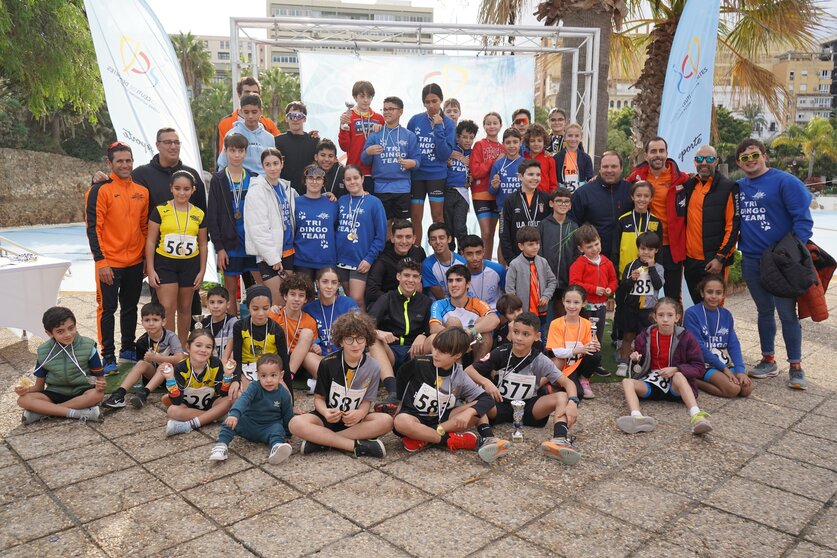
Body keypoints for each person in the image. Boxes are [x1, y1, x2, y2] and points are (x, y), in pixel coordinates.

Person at [735, 138, 813, 389]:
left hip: (780, 261)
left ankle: (796, 366)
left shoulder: (785, 181)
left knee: (787, 313)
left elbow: (803, 220)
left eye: (754, 155)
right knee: (764, 311)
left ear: (764, 155)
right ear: (738, 162)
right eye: (745, 158)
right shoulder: (738, 187)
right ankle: (768, 359)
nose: (750, 161)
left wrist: (791, 251)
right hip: (751, 258)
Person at [466, 312, 581, 465]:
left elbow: (568, 383)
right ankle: (487, 438)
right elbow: (469, 370)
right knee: (477, 397)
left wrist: (573, 402)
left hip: (529, 407)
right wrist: (486, 382)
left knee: (561, 396)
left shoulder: (540, 359)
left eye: (526, 334)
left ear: (536, 336)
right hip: (499, 404)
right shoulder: (501, 352)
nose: (519, 338)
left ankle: (560, 440)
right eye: (516, 332)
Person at [288, 312, 392, 458]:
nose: (355, 344)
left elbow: (367, 402)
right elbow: (319, 399)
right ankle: (355, 446)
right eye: (349, 339)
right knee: (295, 423)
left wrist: (360, 413)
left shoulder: (374, 366)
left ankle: (322, 440)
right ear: (341, 341)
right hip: (328, 418)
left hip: (355, 421)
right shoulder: (328, 363)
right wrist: (325, 412)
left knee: (386, 421)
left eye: (360, 338)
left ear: (367, 340)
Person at [85, 142, 148, 373]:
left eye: (128, 160)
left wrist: (144, 260)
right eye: (119, 161)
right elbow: (94, 228)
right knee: (108, 308)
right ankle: (108, 354)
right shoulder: (99, 190)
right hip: (109, 263)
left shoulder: (142, 191)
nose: (125, 165)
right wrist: (101, 262)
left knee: (130, 307)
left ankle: (128, 349)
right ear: (109, 163)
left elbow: (143, 228)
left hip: (135, 263)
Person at [616, 298, 712, 436]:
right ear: (655, 317)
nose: (665, 319)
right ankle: (636, 417)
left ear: (677, 317)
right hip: (652, 382)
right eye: (661, 315)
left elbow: (699, 367)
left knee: (679, 375)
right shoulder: (645, 335)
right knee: (627, 382)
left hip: (675, 386)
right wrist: (636, 359)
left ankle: (697, 417)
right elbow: (640, 364)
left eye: (670, 315)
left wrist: (676, 369)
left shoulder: (686, 337)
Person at [393, 327, 495, 453]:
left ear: (457, 355)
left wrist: (468, 413)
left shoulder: (459, 375)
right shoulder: (420, 363)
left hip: (443, 421)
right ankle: (449, 440)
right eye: (435, 348)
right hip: (414, 416)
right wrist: (400, 400)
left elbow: (487, 399)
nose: (435, 354)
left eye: (442, 352)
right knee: (400, 421)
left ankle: (424, 436)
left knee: (477, 407)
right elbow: (402, 374)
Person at [145, 170, 207, 345]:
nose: (182, 192)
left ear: (193, 190)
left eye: (186, 189)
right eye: (178, 188)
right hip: (165, 264)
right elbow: (150, 241)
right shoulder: (160, 210)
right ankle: (170, 346)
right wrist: (150, 269)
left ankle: (182, 346)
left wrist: (202, 271)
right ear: (171, 188)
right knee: (167, 308)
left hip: (190, 265)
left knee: (185, 308)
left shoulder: (199, 214)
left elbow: (203, 244)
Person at [626, 137, 690, 301]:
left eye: (661, 151)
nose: (658, 155)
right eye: (653, 151)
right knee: (643, 296)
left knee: (673, 296)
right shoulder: (635, 179)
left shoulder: (681, 180)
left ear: (667, 154)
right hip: (646, 247)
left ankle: (675, 326)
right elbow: (617, 186)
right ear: (646, 155)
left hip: (671, 247)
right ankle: (646, 327)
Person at [16, 307, 104, 424]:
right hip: (55, 393)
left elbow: (100, 381)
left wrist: (101, 385)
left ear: (75, 325)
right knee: (23, 400)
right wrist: (24, 390)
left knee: (97, 394)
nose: (68, 334)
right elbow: (39, 387)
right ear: (49, 333)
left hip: (82, 391)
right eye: (60, 331)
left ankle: (44, 411)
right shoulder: (43, 352)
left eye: (71, 328)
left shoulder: (88, 346)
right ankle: (77, 413)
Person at [368, 259, 432, 413]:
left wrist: (423, 335)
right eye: (406, 275)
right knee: (373, 342)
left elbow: (432, 328)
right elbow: (366, 324)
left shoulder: (426, 302)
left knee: (434, 339)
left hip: (414, 353)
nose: (411, 280)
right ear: (398, 276)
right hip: (391, 352)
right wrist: (379, 332)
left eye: (415, 276)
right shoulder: (387, 298)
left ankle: (434, 388)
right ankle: (394, 392)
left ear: (419, 279)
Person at [209, 353, 294, 464]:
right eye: (263, 376)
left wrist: (287, 434)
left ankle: (276, 447)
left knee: (277, 429)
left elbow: (287, 414)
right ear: (258, 375)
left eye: (273, 375)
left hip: (268, 427)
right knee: (229, 422)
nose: (268, 380)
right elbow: (243, 399)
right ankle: (222, 445)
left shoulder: (284, 394)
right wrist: (234, 414)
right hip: (249, 423)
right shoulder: (254, 387)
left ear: (281, 375)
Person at [207, 133, 259, 315]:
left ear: (246, 152)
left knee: (259, 289)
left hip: (253, 244)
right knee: (230, 291)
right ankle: (232, 329)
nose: (236, 155)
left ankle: (258, 328)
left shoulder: (254, 178)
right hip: (230, 245)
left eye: (240, 151)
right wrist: (219, 248)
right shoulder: (218, 180)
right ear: (226, 151)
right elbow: (212, 217)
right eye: (232, 150)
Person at [683, 145, 740, 306]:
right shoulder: (689, 186)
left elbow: (733, 227)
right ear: (694, 162)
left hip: (714, 262)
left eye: (709, 159)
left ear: (716, 161)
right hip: (691, 262)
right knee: (697, 306)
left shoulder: (729, 187)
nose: (704, 163)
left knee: (714, 308)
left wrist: (720, 258)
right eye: (699, 159)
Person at [103, 302, 185, 409]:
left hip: (172, 378)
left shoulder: (170, 336)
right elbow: (142, 365)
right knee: (141, 363)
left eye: (155, 320)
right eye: (147, 320)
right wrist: (149, 361)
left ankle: (143, 394)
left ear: (163, 321)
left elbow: (180, 357)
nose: (151, 323)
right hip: (153, 378)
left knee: (164, 365)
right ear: (142, 322)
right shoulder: (142, 341)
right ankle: (119, 395)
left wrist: (157, 358)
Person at [244, 148, 297, 306]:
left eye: (275, 163)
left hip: (288, 252)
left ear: (282, 164)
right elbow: (257, 228)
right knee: (278, 302)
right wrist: (272, 257)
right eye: (268, 164)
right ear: (262, 166)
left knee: (288, 302)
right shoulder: (257, 190)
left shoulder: (286, 188)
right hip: (270, 256)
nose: (272, 168)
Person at [684, 275, 752, 398]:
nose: (714, 296)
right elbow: (699, 347)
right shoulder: (692, 314)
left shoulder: (726, 314)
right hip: (702, 363)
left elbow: (733, 344)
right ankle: (694, 381)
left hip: (721, 362)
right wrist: (724, 370)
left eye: (718, 293)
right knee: (732, 390)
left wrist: (740, 370)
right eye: (709, 292)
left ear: (723, 295)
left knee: (746, 390)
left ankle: (723, 377)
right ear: (702, 293)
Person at [407, 83, 456, 243]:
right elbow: (408, 147)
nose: (431, 105)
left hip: (437, 176)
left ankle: (441, 253)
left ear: (441, 100)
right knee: (415, 218)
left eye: (434, 101)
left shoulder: (448, 123)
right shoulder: (415, 120)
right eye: (427, 102)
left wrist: (439, 127)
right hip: (417, 176)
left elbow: (444, 154)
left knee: (438, 217)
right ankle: (415, 253)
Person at [361, 96, 420, 227]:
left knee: (402, 225)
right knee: (384, 224)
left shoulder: (409, 135)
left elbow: (417, 161)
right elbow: (364, 160)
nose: (387, 112)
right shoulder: (375, 135)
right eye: (385, 109)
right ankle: (386, 248)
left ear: (400, 111)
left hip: (402, 187)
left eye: (391, 109)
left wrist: (412, 163)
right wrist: (368, 152)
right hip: (381, 187)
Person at [162, 329, 233, 436]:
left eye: (208, 347)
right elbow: (176, 401)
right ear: (188, 347)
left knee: (229, 399)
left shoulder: (215, 364)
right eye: (198, 345)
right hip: (188, 406)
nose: (203, 350)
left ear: (212, 350)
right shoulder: (180, 368)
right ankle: (216, 417)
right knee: (172, 410)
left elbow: (222, 393)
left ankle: (188, 425)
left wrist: (227, 376)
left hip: (211, 403)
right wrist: (170, 379)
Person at [336, 165, 387, 310]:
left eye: (355, 178)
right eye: (348, 179)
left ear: (362, 179)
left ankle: (365, 331)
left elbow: (381, 236)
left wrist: (369, 259)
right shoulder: (341, 201)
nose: (352, 182)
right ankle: (353, 330)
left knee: (357, 299)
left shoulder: (374, 202)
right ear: (344, 182)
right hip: (341, 260)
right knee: (348, 300)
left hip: (361, 260)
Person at [614, 232, 665, 377]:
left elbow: (658, 284)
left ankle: (646, 363)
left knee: (647, 337)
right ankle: (623, 363)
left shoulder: (659, 268)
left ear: (656, 250)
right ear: (638, 249)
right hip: (631, 308)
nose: (646, 252)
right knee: (628, 336)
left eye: (650, 249)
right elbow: (623, 286)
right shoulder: (630, 266)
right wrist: (631, 280)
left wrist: (651, 267)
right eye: (643, 249)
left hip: (648, 309)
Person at [569, 151, 633, 266]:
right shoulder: (583, 193)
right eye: (605, 166)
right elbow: (572, 227)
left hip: (627, 258)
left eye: (614, 166)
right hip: (594, 260)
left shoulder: (631, 192)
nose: (609, 170)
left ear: (621, 168)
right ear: (599, 169)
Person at [229, 286, 291, 401]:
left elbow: (284, 362)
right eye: (255, 309)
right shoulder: (240, 326)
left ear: (270, 307)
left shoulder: (277, 330)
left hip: (270, 369)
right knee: (240, 398)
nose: (261, 313)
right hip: (247, 368)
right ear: (248, 307)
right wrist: (236, 379)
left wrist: (291, 399)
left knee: (286, 399)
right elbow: (237, 358)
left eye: (265, 308)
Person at [427, 265, 499, 361]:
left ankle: (476, 370)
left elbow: (495, 320)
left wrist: (470, 331)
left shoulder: (478, 303)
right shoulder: (439, 304)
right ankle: (457, 371)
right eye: (450, 281)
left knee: (483, 326)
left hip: (472, 344)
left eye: (458, 280)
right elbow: (434, 328)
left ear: (468, 284)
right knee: (453, 322)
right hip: (448, 346)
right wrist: (460, 337)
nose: (453, 284)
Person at [128, 127, 207, 214]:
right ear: (157, 145)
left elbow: (202, 212)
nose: (173, 146)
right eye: (168, 142)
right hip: (152, 227)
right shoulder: (140, 175)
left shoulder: (191, 175)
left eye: (176, 142)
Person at [546, 286, 603, 400]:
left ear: (583, 303)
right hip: (564, 365)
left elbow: (591, 348)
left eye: (576, 302)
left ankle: (584, 379)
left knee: (595, 355)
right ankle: (559, 381)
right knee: (578, 395)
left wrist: (595, 346)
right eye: (568, 302)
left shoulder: (587, 324)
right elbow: (556, 352)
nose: (572, 306)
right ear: (563, 302)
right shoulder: (556, 323)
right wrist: (579, 349)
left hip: (579, 363)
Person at [569, 224, 618, 346]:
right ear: (581, 249)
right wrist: (593, 289)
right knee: (583, 335)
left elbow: (614, 280)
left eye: (596, 244)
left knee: (598, 335)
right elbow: (574, 283)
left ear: (600, 241)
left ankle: (596, 360)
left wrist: (610, 289)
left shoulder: (607, 262)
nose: (594, 249)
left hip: (601, 306)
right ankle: (582, 360)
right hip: (584, 306)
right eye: (589, 247)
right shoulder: (579, 264)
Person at [268, 273, 318, 389]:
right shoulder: (275, 314)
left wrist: (315, 348)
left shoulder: (309, 321)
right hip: (276, 359)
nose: (296, 299)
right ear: (285, 296)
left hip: (297, 363)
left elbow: (312, 347)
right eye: (292, 294)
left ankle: (288, 377)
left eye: (301, 295)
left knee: (307, 333)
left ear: (306, 299)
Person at [303, 267, 360, 367]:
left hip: (346, 356)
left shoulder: (348, 304)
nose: (329, 286)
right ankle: (334, 381)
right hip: (323, 358)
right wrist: (313, 347)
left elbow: (361, 328)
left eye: (333, 283)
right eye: (325, 282)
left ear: (338, 285)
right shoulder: (309, 308)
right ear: (317, 283)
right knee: (308, 357)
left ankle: (333, 381)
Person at [365, 218, 427, 307]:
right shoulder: (382, 257)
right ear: (392, 238)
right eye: (399, 237)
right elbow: (371, 291)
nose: (404, 241)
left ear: (414, 239)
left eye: (408, 237)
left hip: (412, 300)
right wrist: (398, 299)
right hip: (388, 302)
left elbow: (425, 280)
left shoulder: (419, 252)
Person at [499, 159, 551, 261]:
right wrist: (510, 260)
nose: (535, 178)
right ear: (520, 176)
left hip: (542, 259)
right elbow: (503, 233)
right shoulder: (510, 200)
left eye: (538, 175)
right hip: (517, 259)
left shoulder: (546, 198)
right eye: (531, 174)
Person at [506, 226, 557, 330]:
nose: (535, 247)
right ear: (521, 246)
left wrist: (546, 296)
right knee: (524, 336)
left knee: (539, 337)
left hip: (541, 311)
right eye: (530, 244)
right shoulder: (515, 264)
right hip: (523, 313)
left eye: (537, 243)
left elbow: (552, 281)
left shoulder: (543, 262)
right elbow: (510, 290)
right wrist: (517, 309)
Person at [293, 164, 338, 280]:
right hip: (302, 261)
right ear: (305, 181)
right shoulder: (294, 203)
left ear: (323, 182)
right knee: (304, 297)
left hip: (326, 260)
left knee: (327, 296)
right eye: (310, 178)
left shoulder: (332, 203)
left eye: (318, 178)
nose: (314, 181)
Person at [538, 187, 578, 318]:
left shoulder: (573, 226)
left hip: (566, 279)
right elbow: (539, 251)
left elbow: (576, 254)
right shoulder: (543, 225)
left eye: (566, 201)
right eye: (559, 201)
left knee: (562, 315)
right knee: (545, 316)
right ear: (551, 203)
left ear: (570, 205)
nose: (563, 204)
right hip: (546, 280)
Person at [338, 80, 385, 191]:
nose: (366, 100)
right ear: (355, 97)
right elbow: (344, 146)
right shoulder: (348, 116)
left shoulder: (379, 118)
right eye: (362, 96)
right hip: (354, 171)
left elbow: (384, 145)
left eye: (369, 97)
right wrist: (342, 127)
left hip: (374, 172)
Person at [216, 76, 280, 155]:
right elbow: (221, 155)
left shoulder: (269, 124)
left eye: (255, 92)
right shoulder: (225, 123)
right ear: (239, 94)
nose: (251, 94)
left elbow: (276, 154)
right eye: (247, 92)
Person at [469, 112, 504, 260]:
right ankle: (482, 264)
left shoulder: (504, 147)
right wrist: (494, 161)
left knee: (496, 234)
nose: (492, 126)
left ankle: (490, 266)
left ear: (500, 125)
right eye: (488, 123)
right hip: (481, 194)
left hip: (497, 195)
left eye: (495, 123)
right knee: (486, 233)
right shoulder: (479, 145)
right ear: (484, 126)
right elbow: (476, 171)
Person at [217, 94, 276, 175]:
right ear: (241, 112)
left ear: (261, 111)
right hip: (238, 182)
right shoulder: (231, 134)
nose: (250, 116)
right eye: (246, 112)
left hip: (263, 184)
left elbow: (273, 165)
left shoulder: (269, 138)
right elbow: (223, 163)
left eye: (254, 112)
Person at [614, 181, 662, 277]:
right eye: (638, 195)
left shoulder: (656, 221)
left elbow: (659, 251)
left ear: (651, 198)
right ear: (632, 197)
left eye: (646, 196)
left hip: (648, 275)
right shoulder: (623, 220)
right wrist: (615, 272)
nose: (642, 199)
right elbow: (615, 250)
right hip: (625, 274)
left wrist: (657, 272)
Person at [444, 119, 478, 252]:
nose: (468, 141)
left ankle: (464, 253)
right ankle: (450, 254)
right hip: (448, 191)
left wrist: (472, 175)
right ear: (457, 137)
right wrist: (448, 157)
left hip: (463, 193)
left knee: (460, 227)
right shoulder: (451, 149)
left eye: (471, 138)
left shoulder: (474, 153)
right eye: (464, 137)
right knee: (448, 227)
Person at [275, 101, 320, 195]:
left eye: (299, 116)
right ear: (286, 119)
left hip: (308, 194)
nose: (295, 119)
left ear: (304, 119)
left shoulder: (314, 142)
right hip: (284, 193)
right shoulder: (277, 141)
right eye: (291, 116)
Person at [421, 222, 466, 300]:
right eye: (433, 239)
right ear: (429, 242)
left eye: (441, 238)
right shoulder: (427, 265)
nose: (438, 242)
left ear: (449, 239)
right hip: (437, 305)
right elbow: (439, 297)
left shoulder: (462, 262)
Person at [461, 235, 505, 310]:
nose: (475, 258)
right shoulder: (458, 274)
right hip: (470, 315)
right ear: (462, 254)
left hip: (495, 313)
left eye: (478, 253)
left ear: (483, 251)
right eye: (469, 254)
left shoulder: (498, 269)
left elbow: (507, 293)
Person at [487, 128, 523, 221]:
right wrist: (495, 187)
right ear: (503, 144)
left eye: (515, 142)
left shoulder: (525, 164)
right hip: (503, 209)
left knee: (522, 235)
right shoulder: (498, 164)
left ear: (520, 143)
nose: (512, 146)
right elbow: (491, 191)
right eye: (508, 142)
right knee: (505, 235)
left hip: (523, 209)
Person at [199, 286, 238, 361]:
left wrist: (223, 362)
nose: (215, 306)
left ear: (228, 304)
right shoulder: (204, 323)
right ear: (207, 304)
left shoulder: (232, 321)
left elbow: (231, 341)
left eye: (220, 302)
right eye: (212, 302)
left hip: (227, 362)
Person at [553, 123, 593, 193]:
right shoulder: (557, 158)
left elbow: (590, 178)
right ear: (565, 137)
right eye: (570, 135)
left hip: (581, 194)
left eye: (577, 136)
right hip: (562, 195)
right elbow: (554, 179)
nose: (573, 139)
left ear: (581, 138)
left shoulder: (586, 158)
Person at [523, 123, 558, 193]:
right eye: (532, 141)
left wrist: (551, 198)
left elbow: (553, 184)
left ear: (544, 142)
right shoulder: (523, 157)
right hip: (525, 196)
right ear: (528, 142)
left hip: (544, 198)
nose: (536, 144)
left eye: (539, 141)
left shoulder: (549, 159)